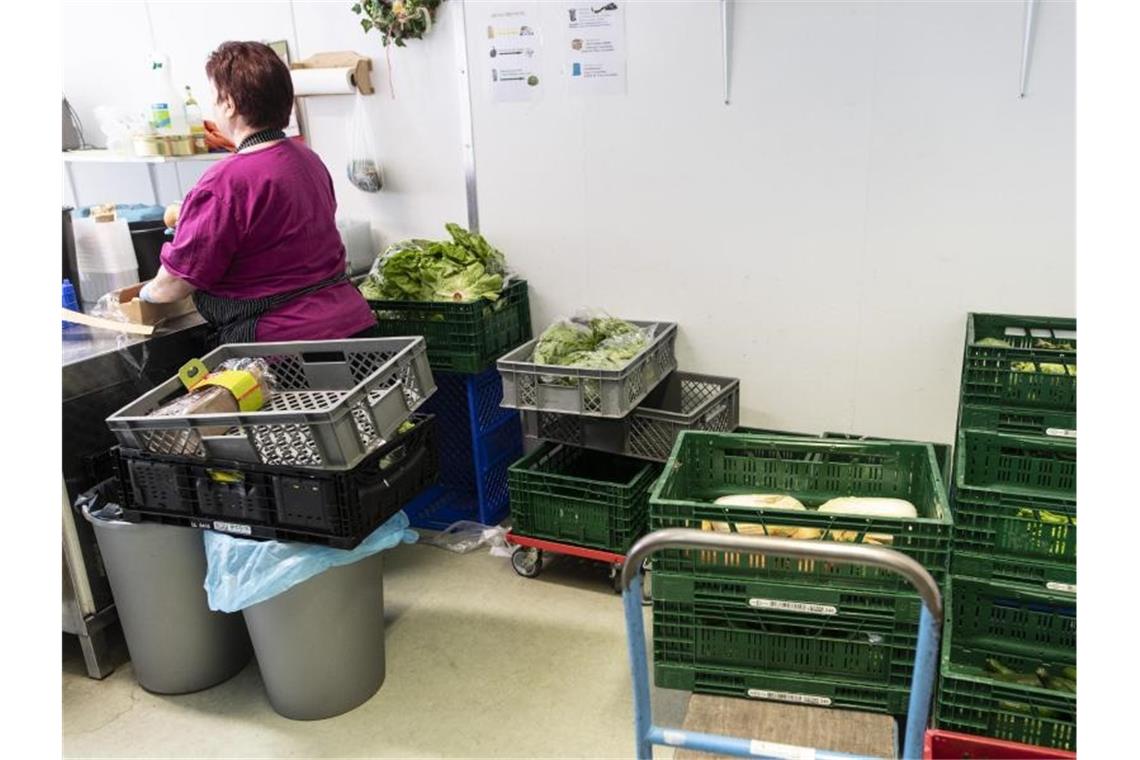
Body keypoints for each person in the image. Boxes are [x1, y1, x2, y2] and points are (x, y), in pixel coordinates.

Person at [140, 41, 378, 344]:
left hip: (283, 348)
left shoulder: (224, 182)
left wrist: (145, 294)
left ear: (229, 104)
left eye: (214, 98)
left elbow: (172, 285)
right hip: (352, 326)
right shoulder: (308, 159)